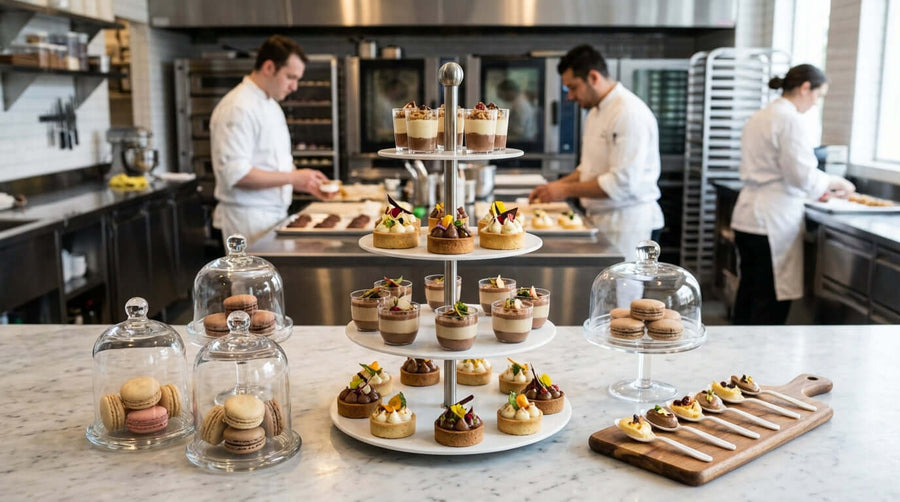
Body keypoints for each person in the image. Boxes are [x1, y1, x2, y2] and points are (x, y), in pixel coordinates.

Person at [731, 64, 854, 325]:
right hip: (772, 221)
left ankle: (738, 359)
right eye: (817, 96)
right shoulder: (790, 120)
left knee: (749, 293)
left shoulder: (761, 116)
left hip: (747, 217)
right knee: (769, 301)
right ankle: (759, 363)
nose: (814, 104)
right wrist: (835, 182)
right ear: (805, 88)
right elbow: (803, 176)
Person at [529, 44, 663, 260]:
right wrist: (554, 187)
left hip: (627, 224)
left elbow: (621, 182)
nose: (570, 97)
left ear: (593, 77)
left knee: (623, 293)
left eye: (573, 88)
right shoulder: (595, 112)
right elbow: (588, 169)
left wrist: (564, 191)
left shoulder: (628, 113)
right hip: (601, 219)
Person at [209, 35, 334, 245]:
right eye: (290, 77)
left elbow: (273, 162)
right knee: (250, 279)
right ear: (269, 67)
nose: (295, 86)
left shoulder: (271, 105)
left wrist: (305, 182)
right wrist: (293, 178)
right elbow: (236, 175)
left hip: (272, 216)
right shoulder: (237, 107)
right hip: (247, 220)